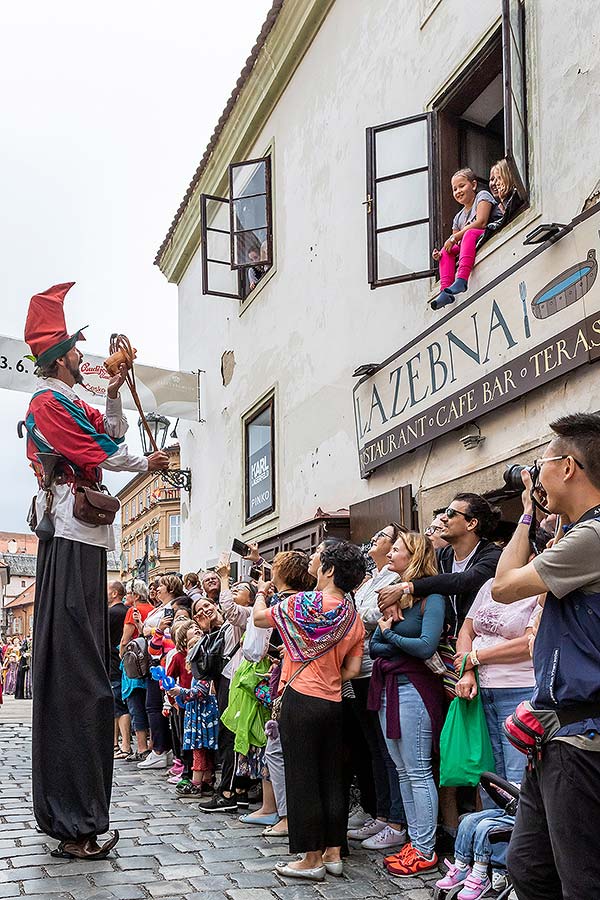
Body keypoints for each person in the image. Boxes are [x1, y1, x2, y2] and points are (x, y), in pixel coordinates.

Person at [22, 282, 169, 859]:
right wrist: (147, 462)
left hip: (85, 534)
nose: (87, 359)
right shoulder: (46, 403)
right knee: (80, 675)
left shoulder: (72, 398)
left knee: (85, 672)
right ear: (60, 360)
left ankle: (80, 814)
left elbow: (109, 432)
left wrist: (116, 391)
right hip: (71, 532)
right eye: (78, 354)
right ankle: (75, 815)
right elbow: (98, 452)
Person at [491, 413, 600, 900]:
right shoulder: (578, 536)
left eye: (542, 463)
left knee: (581, 880)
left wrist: (526, 516)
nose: (535, 475)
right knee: (530, 867)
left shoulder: (593, 538)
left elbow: (504, 586)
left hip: (581, 737)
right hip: (558, 733)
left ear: (570, 467)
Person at [253, 541, 366, 881]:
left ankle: (310, 858)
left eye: (318, 557)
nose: (312, 560)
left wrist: (261, 592)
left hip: (300, 698)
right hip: (333, 702)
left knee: (302, 779)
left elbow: (260, 619)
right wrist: (329, 673)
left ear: (329, 570)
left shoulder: (298, 604)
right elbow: (354, 670)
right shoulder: (351, 616)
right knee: (333, 779)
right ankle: (333, 852)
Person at [368, 532, 445, 878]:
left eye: (397, 549)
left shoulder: (432, 596)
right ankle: (414, 841)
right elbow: (375, 647)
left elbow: (426, 646)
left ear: (413, 556)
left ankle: (426, 847)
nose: (391, 553)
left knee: (417, 770)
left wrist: (390, 635)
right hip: (388, 687)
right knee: (402, 769)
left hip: (414, 688)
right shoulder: (393, 598)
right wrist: (391, 638)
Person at [347, 522, 408, 852]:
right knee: (374, 748)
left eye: (381, 536)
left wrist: (353, 615)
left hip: (375, 668)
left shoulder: (396, 578)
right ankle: (383, 813)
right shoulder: (373, 578)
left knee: (389, 751)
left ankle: (396, 819)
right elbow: (363, 613)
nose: (373, 539)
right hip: (360, 671)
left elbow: (372, 615)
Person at [431, 168, 501, 310]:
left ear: (473, 185)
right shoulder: (458, 218)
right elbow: (456, 244)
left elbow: (482, 222)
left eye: (462, 186)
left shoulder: (482, 196)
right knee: (446, 250)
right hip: (470, 242)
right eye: (455, 189)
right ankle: (445, 291)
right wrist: (442, 253)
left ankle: (462, 280)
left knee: (468, 234)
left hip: (488, 231)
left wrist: (455, 236)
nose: (458, 191)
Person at [107, 581, 131, 760]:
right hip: (120, 662)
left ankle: (124, 745)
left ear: (115, 593)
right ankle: (115, 742)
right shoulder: (125, 611)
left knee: (119, 705)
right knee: (116, 704)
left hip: (114, 662)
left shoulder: (112, 613)